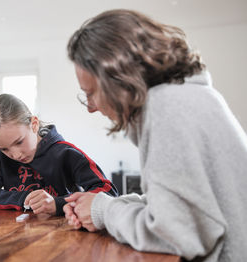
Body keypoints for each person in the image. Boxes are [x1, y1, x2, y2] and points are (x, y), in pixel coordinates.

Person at [63, 9, 247, 262]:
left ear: (119, 79)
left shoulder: (169, 108)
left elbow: (177, 234)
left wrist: (104, 211)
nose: (91, 106)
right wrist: (104, 204)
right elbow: (183, 204)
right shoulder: (183, 97)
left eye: (91, 93)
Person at [0, 94, 118, 216]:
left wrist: (58, 204)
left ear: (34, 124)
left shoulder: (65, 153)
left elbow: (108, 193)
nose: (15, 155)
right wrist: (24, 199)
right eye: (4, 149)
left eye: (19, 142)